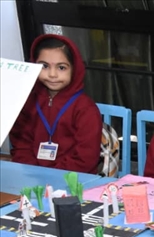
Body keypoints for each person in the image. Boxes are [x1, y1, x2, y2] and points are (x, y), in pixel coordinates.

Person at [9, 34, 102, 174]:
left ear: (75, 69)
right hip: (31, 175)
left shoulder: (86, 109)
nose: (52, 74)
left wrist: (51, 175)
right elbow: (21, 145)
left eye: (61, 68)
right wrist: (33, 172)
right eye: (44, 66)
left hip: (73, 179)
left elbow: (85, 159)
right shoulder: (27, 103)